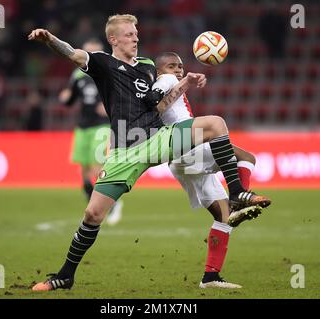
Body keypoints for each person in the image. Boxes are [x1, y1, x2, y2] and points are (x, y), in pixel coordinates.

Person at [28, 14, 271, 291]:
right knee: (92, 214)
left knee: (215, 124)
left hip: (157, 137)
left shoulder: (146, 67)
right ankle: (65, 276)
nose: (136, 38)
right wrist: (49, 40)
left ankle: (237, 192)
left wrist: (184, 84)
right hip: (124, 149)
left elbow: (159, 106)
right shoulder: (102, 63)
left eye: (136, 33)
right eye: (130, 34)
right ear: (114, 39)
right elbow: (72, 53)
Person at [152, 51, 261, 288]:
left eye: (180, 66)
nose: (178, 71)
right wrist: (169, 83)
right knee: (246, 156)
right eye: (172, 66)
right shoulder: (167, 80)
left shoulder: (175, 83)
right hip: (188, 147)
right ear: (160, 70)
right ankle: (240, 193)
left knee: (223, 217)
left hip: (178, 160)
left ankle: (210, 278)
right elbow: (158, 94)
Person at [59, 38, 123, 226]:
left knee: (96, 168)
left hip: (102, 126)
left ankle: (114, 203)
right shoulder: (77, 75)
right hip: (83, 127)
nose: (90, 57)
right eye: (87, 53)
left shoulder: (109, 73)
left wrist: (110, 107)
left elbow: (123, 96)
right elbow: (70, 100)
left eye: (95, 53)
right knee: (85, 173)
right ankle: (93, 210)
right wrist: (65, 98)